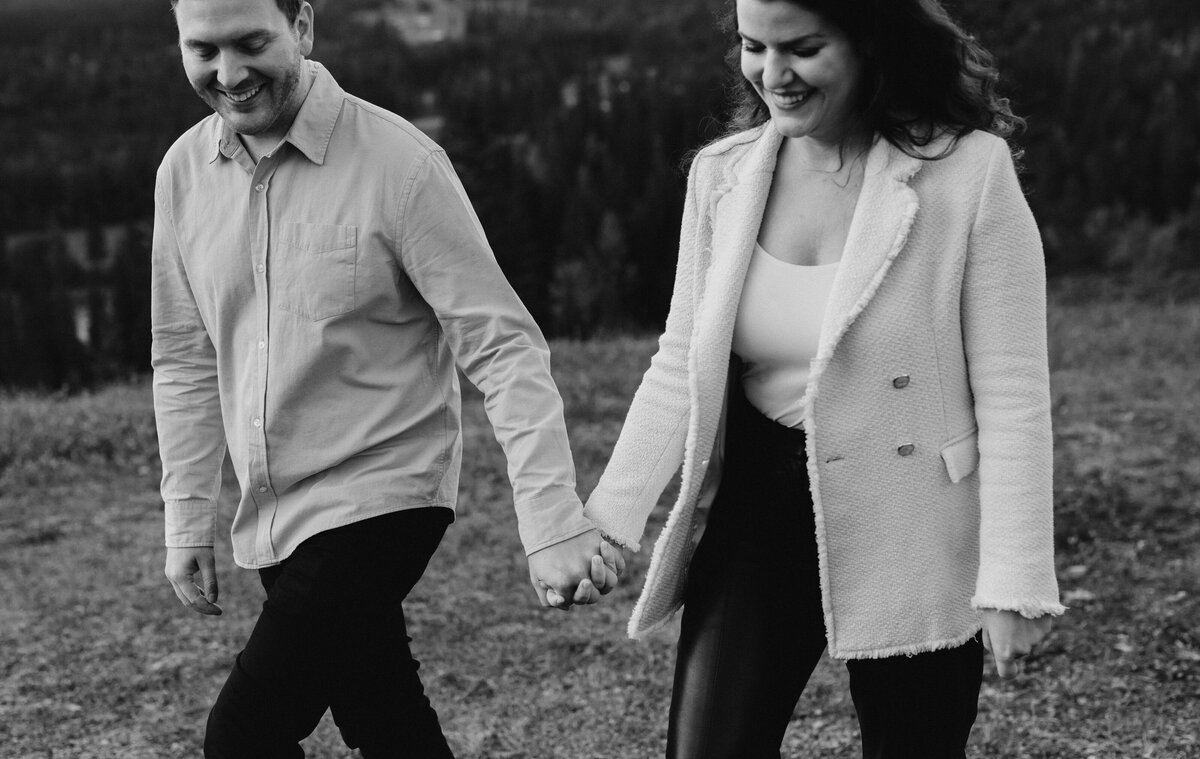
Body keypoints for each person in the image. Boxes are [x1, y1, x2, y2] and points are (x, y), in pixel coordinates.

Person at [583, 0, 1065, 756]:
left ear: (869, 39)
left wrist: (1016, 576)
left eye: (802, 48)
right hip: (757, 509)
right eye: (752, 46)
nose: (773, 74)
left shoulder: (969, 174)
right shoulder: (721, 177)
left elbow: (1013, 391)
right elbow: (681, 357)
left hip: (914, 519)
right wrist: (609, 519)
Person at [151, 0, 623, 756]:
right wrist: (186, 515)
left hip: (384, 495)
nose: (229, 74)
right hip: (274, 507)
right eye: (203, 49)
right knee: (385, 716)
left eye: (250, 42)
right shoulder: (181, 174)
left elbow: (502, 345)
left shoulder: (401, 164)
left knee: (242, 734)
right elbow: (183, 356)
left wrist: (550, 517)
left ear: (302, 26)